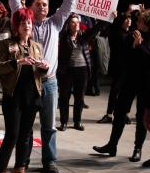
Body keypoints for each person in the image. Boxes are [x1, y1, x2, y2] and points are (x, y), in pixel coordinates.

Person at [9, 0, 77, 173]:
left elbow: (67, 4)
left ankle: (50, 161)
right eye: (38, 4)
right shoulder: (25, 24)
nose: (42, 7)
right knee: (26, 127)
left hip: (50, 82)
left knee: (49, 126)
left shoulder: (55, 23)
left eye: (45, 5)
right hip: (28, 83)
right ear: (30, 6)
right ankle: (24, 162)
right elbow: (13, 4)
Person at [0, 8, 48, 173]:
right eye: (23, 22)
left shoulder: (36, 47)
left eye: (29, 22)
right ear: (17, 26)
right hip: (13, 96)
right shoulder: (7, 44)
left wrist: (44, 69)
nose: (27, 26)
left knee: (25, 136)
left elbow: (40, 75)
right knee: (12, 136)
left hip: (32, 97)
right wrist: (17, 62)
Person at [93, 9, 150, 162]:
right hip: (130, 79)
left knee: (140, 116)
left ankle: (137, 149)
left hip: (145, 83)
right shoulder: (132, 36)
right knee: (119, 112)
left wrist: (138, 46)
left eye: (139, 21)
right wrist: (133, 47)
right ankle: (112, 145)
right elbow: (123, 57)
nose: (136, 23)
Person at [57, 13, 115, 132]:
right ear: (68, 25)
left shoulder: (83, 36)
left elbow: (96, 28)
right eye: (73, 22)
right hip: (66, 70)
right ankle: (64, 122)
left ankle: (77, 122)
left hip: (82, 69)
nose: (76, 24)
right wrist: (67, 14)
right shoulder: (63, 36)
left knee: (80, 97)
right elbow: (61, 26)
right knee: (64, 97)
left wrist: (109, 18)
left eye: (77, 22)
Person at [97, 13, 132, 124]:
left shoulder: (133, 33)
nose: (128, 20)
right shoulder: (117, 33)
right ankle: (109, 115)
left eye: (130, 19)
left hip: (131, 68)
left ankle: (125, 114)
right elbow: (115, 26)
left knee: (128, 93)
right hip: (119, 67)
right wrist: (125, 13)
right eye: (126, 19)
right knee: (114, 91)